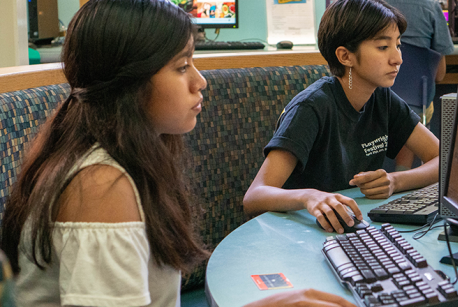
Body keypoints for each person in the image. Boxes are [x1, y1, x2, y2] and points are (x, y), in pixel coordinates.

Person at [0, 0, 355, 306]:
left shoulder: (127, 157)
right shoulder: (99, 185)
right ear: (130, 80)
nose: (199, 81)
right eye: (182, 66)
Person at [243, 0, 441, 234]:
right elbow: (254, 197)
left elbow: (442, 158)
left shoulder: (382, 98)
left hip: (350, 226)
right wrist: (309, 197)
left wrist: (396, 181)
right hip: (298, 232)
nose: (397, 58)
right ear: (345, 56)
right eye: (382, 47)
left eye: (398, 46)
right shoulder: (312, 107)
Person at [383, 0, 454, 171]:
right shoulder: (430, 7)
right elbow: (439, 75)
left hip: (369, 102)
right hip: (417, 102)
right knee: (413, 107)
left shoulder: (364, 7)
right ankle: (403, 171)